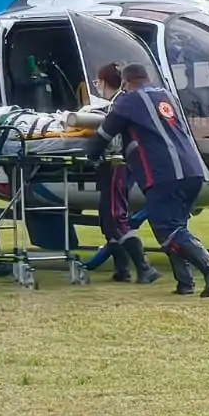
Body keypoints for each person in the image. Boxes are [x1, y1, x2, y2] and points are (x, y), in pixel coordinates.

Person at [84, 63, 209, 297]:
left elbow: (104, 134)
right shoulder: (167, 96)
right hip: (192, 170)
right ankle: (185, 283)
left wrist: (90, 156)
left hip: (163, 174)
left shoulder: (128, 100)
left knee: (167, 229)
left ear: (126, 82)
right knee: (177, 227)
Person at [81, 62, 160, 285]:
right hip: (118, 166)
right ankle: (121, 269)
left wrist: (92, 153)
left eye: (97, 82)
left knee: (116, 217)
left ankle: (144, 268)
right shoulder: (126, 102)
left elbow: (108, 137)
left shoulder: (119, 104)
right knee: (108, 219)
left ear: (103, 82)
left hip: (116, 165)